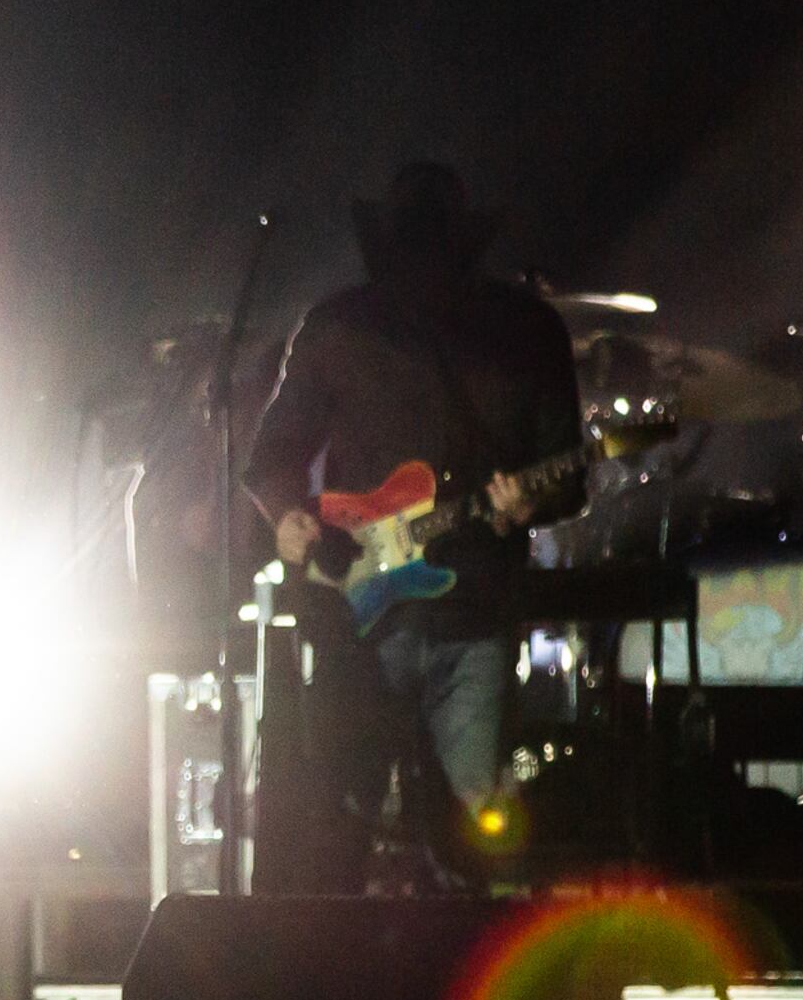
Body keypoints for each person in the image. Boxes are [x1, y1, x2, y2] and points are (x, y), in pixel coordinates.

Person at [244, 161, 582, 887]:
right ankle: (337, 986)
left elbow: (570, 472)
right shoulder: (339, 328)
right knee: (338, 830)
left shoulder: (526, 330)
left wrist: (532, 502)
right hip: (359, 615)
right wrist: (291, 519)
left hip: (476, 614)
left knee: (474, 834)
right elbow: (270, 459)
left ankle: (463, 978)